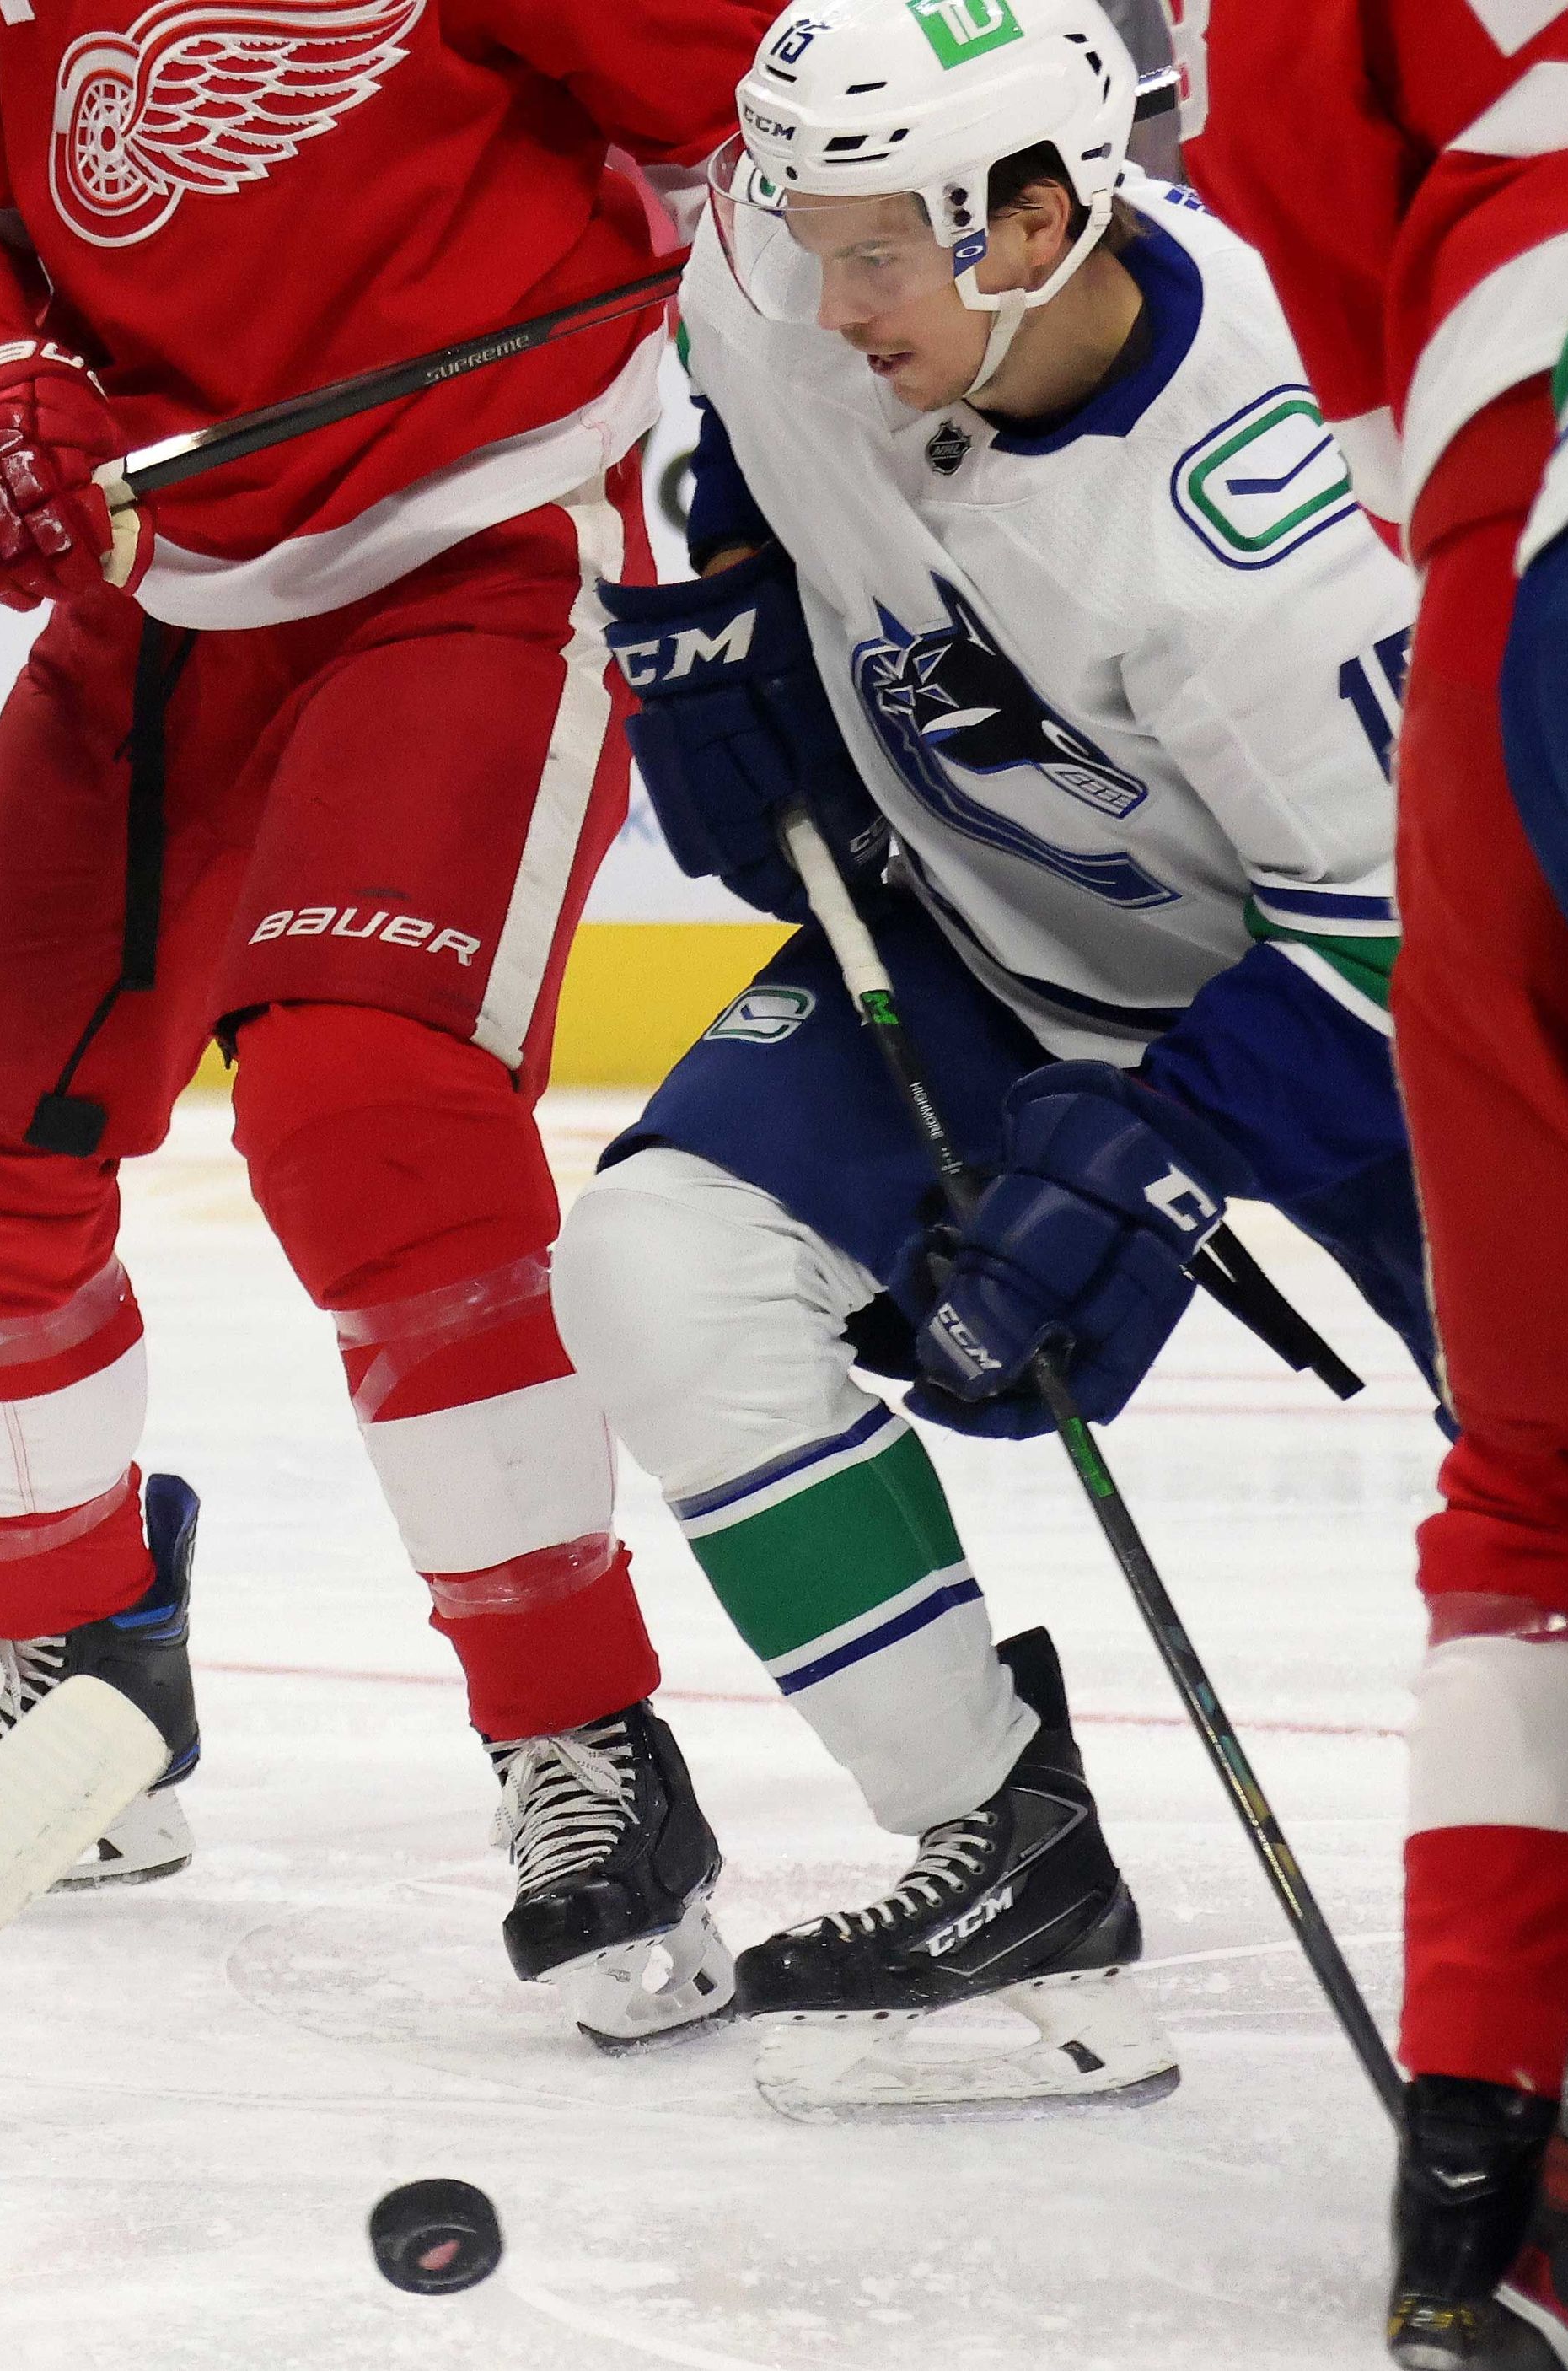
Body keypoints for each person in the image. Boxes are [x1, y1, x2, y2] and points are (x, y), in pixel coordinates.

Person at [0, 0, 781, 2049]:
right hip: (168, 569)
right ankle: (73, 1677)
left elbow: (759, 79)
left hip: (484, 524)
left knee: (369, 1099)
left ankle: (581, 1736)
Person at [550, 0, 1432, 2119]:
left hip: (1338, 1019)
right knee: (662, 1268)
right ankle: (1002, 1845)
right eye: (809, 230)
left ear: (1040, 215)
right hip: (988, 944)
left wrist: (1150, 1159)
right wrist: (711, 605)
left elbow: (1402, 926)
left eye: (882, 255)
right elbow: (704, 368)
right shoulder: (801, 261)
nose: (825, 294)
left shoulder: (1263, 519)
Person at [1185, 0, 1568, 2357]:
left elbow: (1288, 148)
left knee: (1552, 1451)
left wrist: (1441, 472)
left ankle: (1491, 2149)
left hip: (1508, 543)